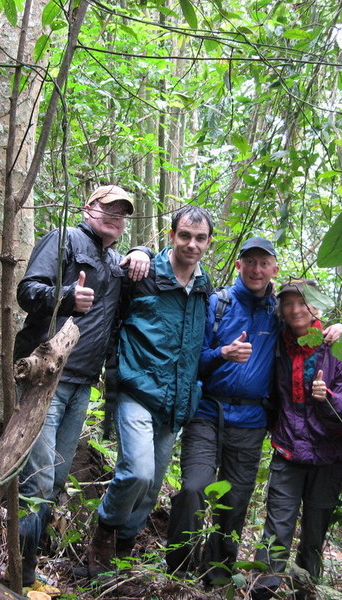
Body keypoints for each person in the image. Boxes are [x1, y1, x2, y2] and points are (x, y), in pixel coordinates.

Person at [165, 237, 342, 584]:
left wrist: (337, 329)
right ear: (239, 266)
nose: (257, 269)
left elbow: (305, 327)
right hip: (207, 413)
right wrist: (221, 354)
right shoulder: (217, 303)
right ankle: (178, 571)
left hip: (250, 421)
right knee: (193, 488)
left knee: (234, 502)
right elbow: (191, 361)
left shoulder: (277, 312)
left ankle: (217, 577)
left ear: (274, 269)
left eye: (264, 263)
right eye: (250, 262)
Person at [14, 184, 150, 588]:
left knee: (54, 480)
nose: (115, 217)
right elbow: (27, 291)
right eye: (108, 209)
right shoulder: (64, 238)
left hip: (82, 385)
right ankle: (17, 575)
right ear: (89, 208)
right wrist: (67, 295)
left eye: (122, 213)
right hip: (46, 377)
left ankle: (27, 568)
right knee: (37, 480)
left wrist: (141, 250)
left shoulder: (113, 260)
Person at [86, 205, 214, 575]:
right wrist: (140, 249)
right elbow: (109, 312)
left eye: (200, 238)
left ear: (208, 242)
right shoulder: (141, 274)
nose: (192, 244)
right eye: (185, 236)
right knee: (137, 471)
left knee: (153, 484)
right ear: (172, 236)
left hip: (174, 400)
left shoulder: (205, 288)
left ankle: (124, 545)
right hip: (137, 388)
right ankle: (104, 531)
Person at [250, 279, 342, 599]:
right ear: (281, 309)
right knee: (277, 529)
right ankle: (261, 591)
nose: (296, 309)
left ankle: (305, 590)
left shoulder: (339, 343)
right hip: (288, 448)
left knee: (314, 533)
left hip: (330, 452)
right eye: (289, 303)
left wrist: (330, 399)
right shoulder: (277, 343)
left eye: (304, 302)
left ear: (317, 307)